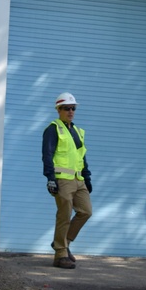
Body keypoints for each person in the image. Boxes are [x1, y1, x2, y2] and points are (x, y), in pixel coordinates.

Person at [42, 92, 92, 269]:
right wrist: (50, 178)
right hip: (62, 179)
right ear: (58, 110)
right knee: (64, 215)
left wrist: (87, 177)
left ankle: (63, 242)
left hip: (78, 179)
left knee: (86, 211)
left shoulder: (77, 131)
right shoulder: (53, 129)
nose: (70, 111)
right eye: (66, 108)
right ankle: (60, 254)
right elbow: (47, 155)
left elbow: (82, 156)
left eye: (73, 108)